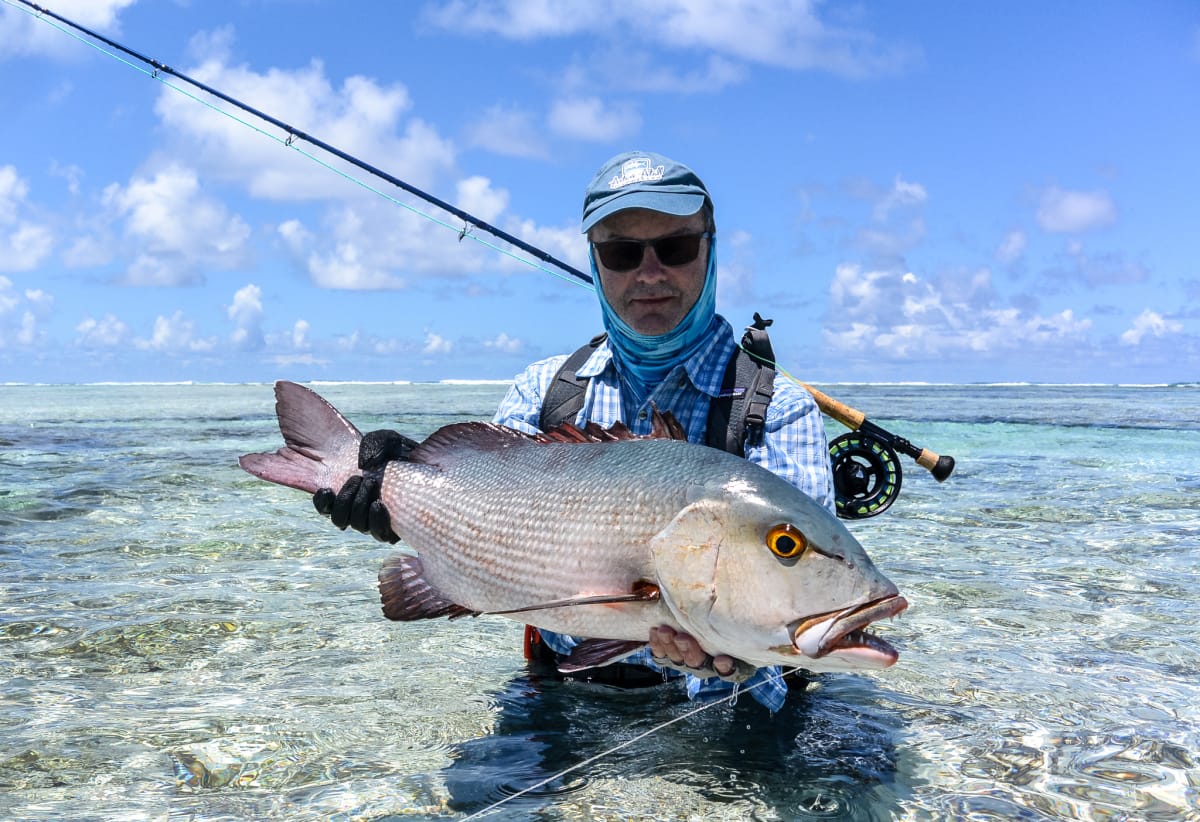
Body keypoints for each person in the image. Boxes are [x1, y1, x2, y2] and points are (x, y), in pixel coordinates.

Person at [317, 150, 835, 711]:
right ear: (595, 262)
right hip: (562, 695)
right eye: (621, 253)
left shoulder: (777, 408)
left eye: (676, 248)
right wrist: (400, 494)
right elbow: (485, 516)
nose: (650, 272)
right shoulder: (543, 390)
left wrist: (743, 649)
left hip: (732, 706)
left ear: (710, 249)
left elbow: (802, 591)